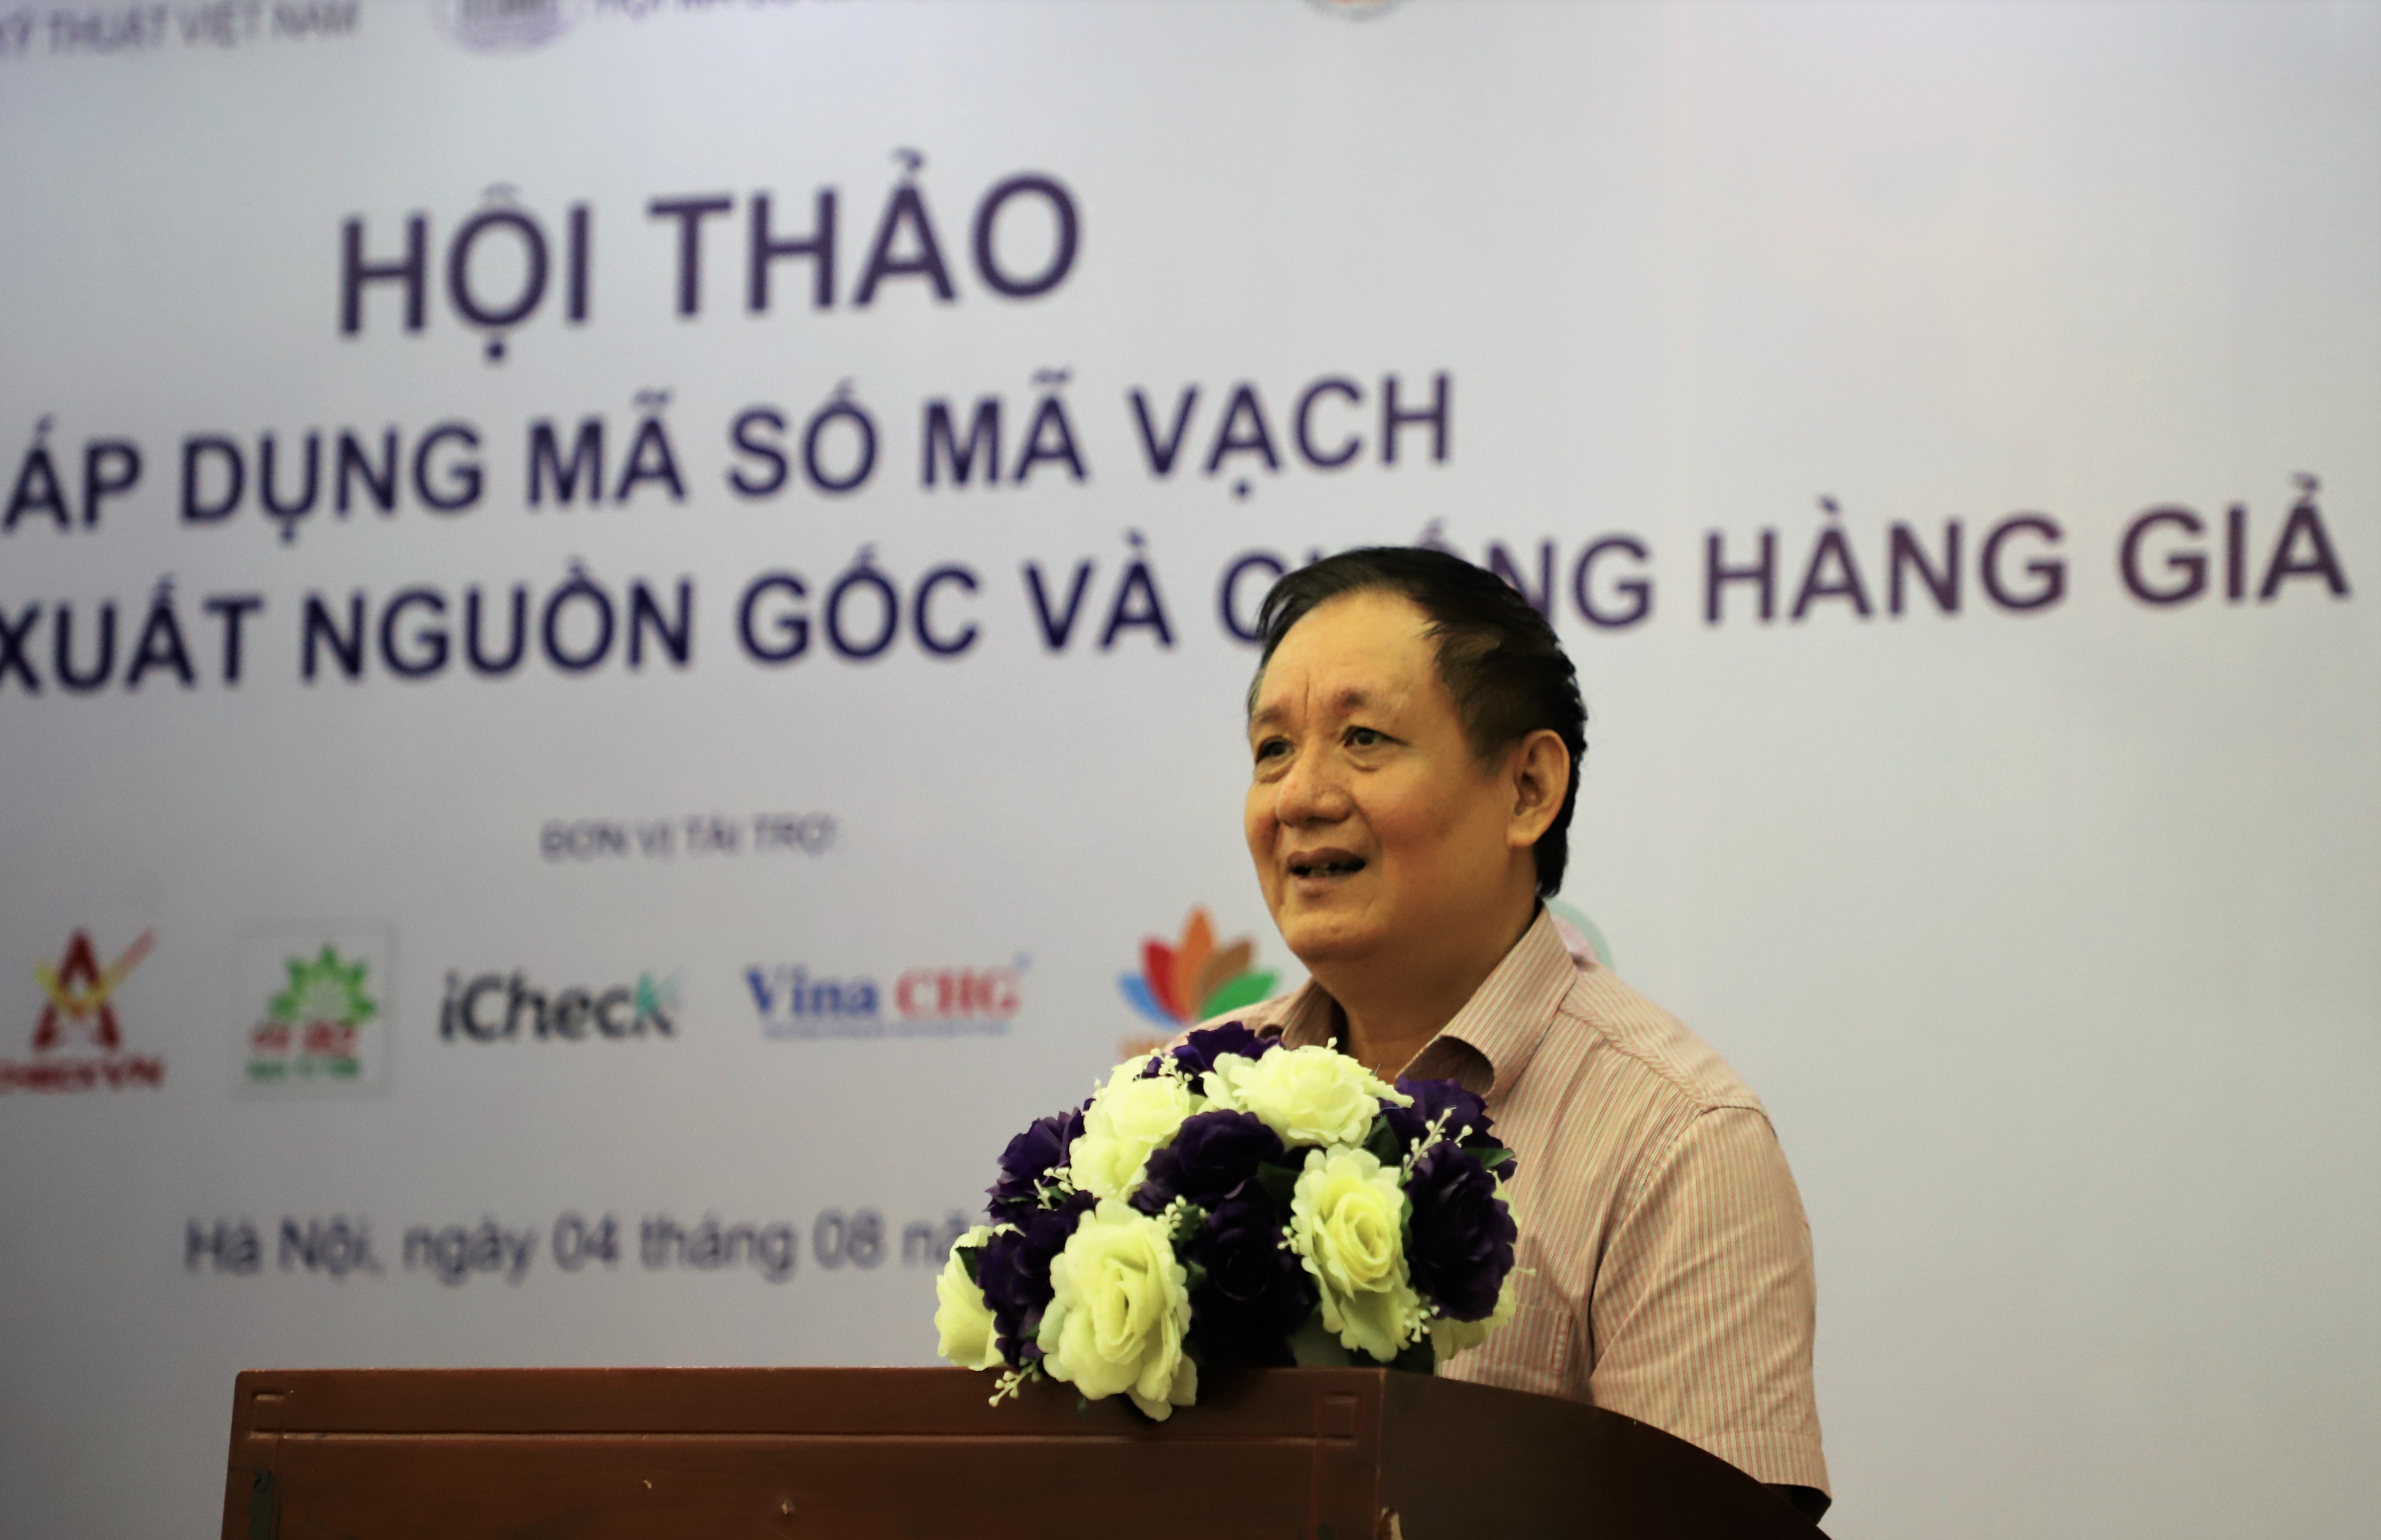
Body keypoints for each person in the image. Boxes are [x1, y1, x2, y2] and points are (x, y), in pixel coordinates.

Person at [1224, 546, 1831, 1521]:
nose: (1299, 796)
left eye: (1364, 738)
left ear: (1527, 790)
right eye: (1272, 749)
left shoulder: (1676, 1138)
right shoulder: (1189, 1096)